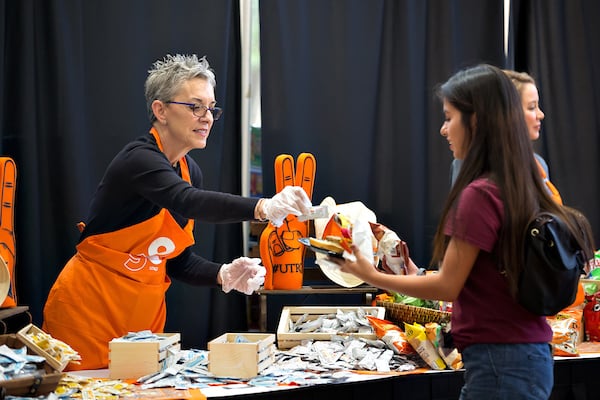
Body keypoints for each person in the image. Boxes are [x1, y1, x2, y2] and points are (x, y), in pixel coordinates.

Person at [329, 64, 595, 399]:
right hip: (524, 356)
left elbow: (448, 284)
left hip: (500, 363)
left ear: (476, 121)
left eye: (449, 117)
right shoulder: (520, 181)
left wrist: (371, 275)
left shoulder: (481, 194)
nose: (443, 130)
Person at [42, 54, 312, 370]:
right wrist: (263, 207)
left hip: (142, 325)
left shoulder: (189, 170)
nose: (207, 117)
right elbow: (186, 200)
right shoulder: (139, 161)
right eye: (195, 106)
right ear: (161, 110)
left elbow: (176, 259)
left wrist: (222, 273)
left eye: (212, 108)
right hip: (87, 313)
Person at [450, 70, 563, 204]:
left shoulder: (539, 165)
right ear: (509, 113)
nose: (541, 115)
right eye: (532, 107)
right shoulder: (469, 164)